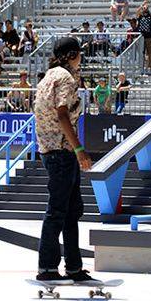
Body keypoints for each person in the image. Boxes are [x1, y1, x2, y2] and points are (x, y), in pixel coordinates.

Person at [34, 36, 97, 284]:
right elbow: (62, 114)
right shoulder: (66, 78)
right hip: (62, 151)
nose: (81, 59)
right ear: (71, 55)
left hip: (49, 150)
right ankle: (47, 267)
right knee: (59, 210)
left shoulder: (47, 76)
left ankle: (73, 267)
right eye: (79, 54)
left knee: (71, 210)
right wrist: (79, 148)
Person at [136, 0, 151, 71]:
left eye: (146, 8)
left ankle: (150, 67)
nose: (145, 9)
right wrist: (142, 5)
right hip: (141, 37)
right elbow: (137, 12)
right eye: (144, 8)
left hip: (149, 37)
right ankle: (141, 68)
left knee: (150, 53)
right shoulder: (140, 16)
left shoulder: (150, 16)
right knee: (142, 54)